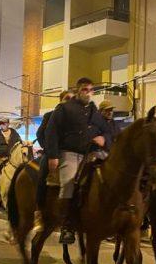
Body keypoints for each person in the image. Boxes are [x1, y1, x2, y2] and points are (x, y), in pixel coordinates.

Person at [44, 77, 109, 244]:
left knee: (113, 175)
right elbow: (51, 132)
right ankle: (67, 226)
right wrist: (53, 156)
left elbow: (108, 132)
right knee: (68, 183)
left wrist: (104, 138)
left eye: (90, 90)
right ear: (78, 91)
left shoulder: (96, 113)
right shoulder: (65, 109)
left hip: (93, 154)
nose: (88, 93)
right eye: (84, 90)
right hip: (70, 153)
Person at [34, 90, 74, 229]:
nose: (70, 101)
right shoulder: (49, 115)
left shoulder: (75, 117)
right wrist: (51, 151)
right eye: (67, 98)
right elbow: (40, 134)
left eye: (72, 99)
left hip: (70, 154)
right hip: (53, 153)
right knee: (43, 174)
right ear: (61, 100)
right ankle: (39, 211)